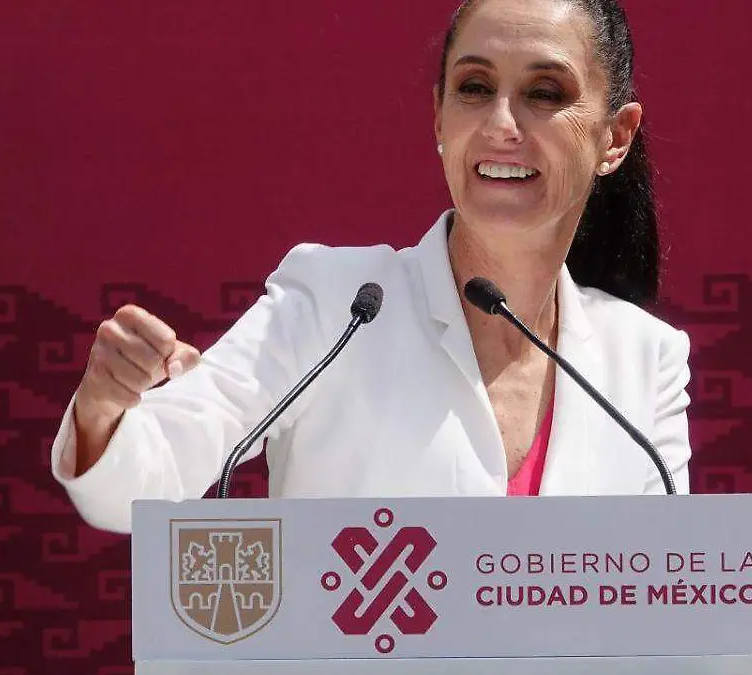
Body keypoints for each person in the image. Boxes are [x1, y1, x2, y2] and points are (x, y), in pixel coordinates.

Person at [50, 0, 694, 534]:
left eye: (544, 92)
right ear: (438, 115)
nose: (501, 124)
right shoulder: (334, 305)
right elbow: (135, 489)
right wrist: (104, 406)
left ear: (616, 137)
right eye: (474, 88)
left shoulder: (646, 360)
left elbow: (672, 600)